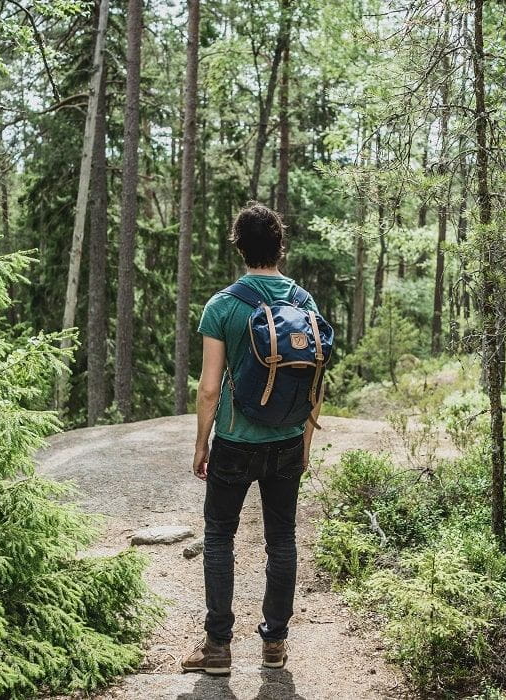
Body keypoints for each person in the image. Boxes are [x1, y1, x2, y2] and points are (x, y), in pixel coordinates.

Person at [181, 203, 322, 676]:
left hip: (236, 441)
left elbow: (208, 387)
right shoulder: (305, 303)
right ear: (280, 246)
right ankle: (275, 644)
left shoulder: (223, 305)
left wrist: (203, 442)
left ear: (239, 246)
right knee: (281, 539)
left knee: (220, 536)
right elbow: (314, 382)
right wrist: (305, 441)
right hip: (286, 439)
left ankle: (218, 647)